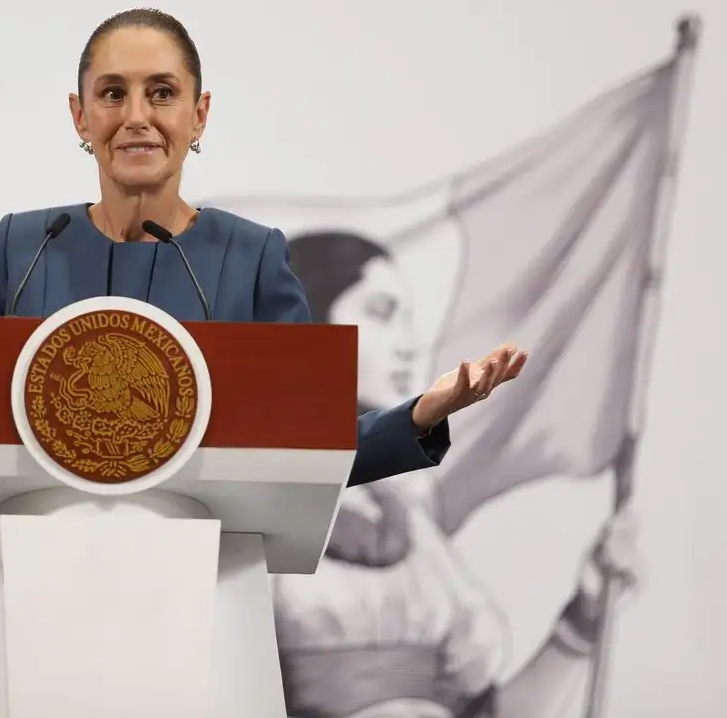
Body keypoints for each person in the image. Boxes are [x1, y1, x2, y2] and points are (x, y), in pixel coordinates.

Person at [0, 7, 527, 487]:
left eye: (162, 93)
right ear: (80, 116)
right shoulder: (22, 248)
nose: (137, 115)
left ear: (199, 116)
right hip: (27, 592)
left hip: (205, 596)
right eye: (113, 94)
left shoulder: (253, 258)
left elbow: (317, 448)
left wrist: (421, 416)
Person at [273, 230, 638, 718]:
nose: (410, 342)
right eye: (382, 313)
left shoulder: (414, 524)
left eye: (409, 318)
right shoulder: (252, 506)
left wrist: (583, 618)